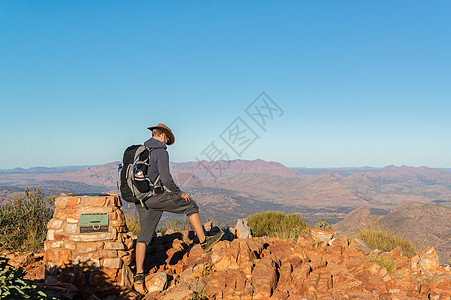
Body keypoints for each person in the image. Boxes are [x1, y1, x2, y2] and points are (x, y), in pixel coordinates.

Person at [133, 123, 223, 284]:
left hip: (141, 199)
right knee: (191, 205)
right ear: (162, 136)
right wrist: (179, 193)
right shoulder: (160, 151)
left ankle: (139, 274)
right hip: (155, 197)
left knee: (143, 236)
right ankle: (204, 241)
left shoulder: (141, 150)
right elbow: (166, 179)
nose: (167, 142)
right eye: (167, 138)